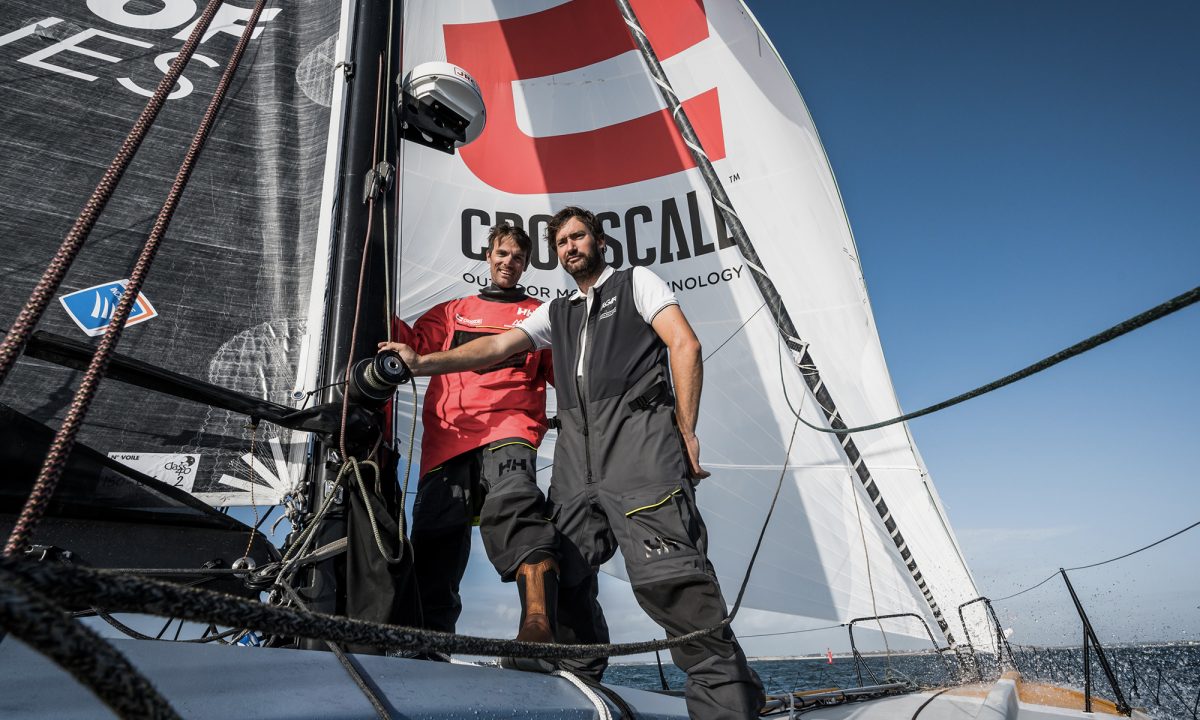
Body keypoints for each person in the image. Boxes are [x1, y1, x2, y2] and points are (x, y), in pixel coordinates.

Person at [380, 207, 764, 718]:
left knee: (670, 578)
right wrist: (422, 361)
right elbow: (494, 346)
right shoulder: (554, 313)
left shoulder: (635, 283)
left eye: (578, 237)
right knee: (568, 576)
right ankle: (573, 691)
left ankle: (730, 703)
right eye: (562, 241)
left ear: (599, 241)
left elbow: (684, 344)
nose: (570, 247)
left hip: (635, 449)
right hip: (569, 461)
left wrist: (687, 431)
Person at [382, 223, 558, 663]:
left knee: (518, 510)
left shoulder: (541, 316)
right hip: (448, 441)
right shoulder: (450, 313)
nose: (508, 262)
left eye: (517, 257)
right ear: (488, 256)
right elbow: (407, 345)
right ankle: (427, 646)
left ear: (526, 263)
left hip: (510, 430)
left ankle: (537, 627)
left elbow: (569, 376)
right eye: (502, 253)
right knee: (435, 541)